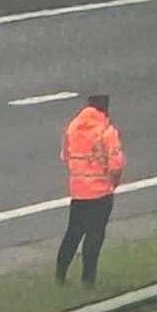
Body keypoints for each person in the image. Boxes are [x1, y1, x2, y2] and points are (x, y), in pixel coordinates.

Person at [56, 95, 124, 288]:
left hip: (78, 190)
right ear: (105, 109)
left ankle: (60, 272)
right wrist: (114, 183)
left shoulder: (73, 127)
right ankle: (88, 278)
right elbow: (116, 164)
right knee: (95, 235)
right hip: (101, 191)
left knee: (73, 232)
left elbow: (65, 156)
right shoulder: (106, 131)